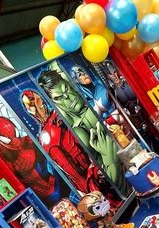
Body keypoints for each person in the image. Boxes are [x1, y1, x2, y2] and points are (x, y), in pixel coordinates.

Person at [38, 63, 127, 194]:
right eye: (58, 97)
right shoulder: (73, 131)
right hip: (119, 180)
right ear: (53, 102)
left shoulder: (92, 98)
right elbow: (106, 181)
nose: (67, 97)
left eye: (66, 89)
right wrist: (110, 160)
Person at [21, 90, 90, 193]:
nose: (33, 109)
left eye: (34, 102)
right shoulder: (43, 134)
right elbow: (64, 166)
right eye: (29, 107)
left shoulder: (58, 114)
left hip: (87, 158)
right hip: (80, 171)